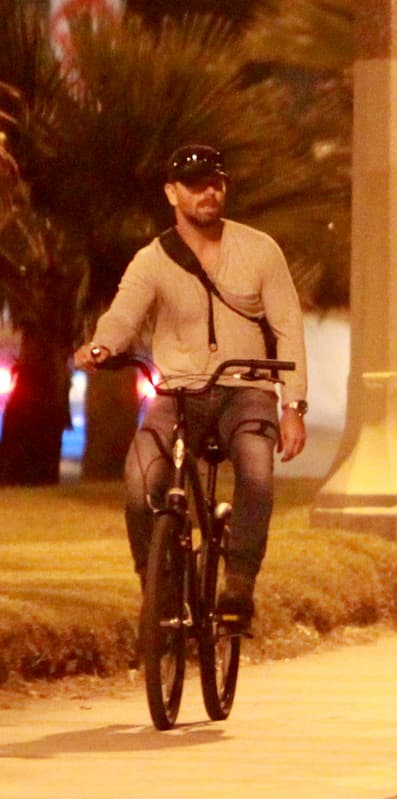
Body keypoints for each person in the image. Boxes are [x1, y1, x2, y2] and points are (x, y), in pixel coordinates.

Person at [74, 143, 308, 634]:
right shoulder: (153, 259)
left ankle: (238, 584)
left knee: (256, 472)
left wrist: (293, 405)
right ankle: (157, 591)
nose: (209, 192)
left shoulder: (260, 250)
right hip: (177, 393)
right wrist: (100, 346)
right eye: (197, 185)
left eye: (216, 183)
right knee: (140, 481)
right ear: (172, 193)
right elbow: (123, 315)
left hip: (247, 389)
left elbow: (289, 327)